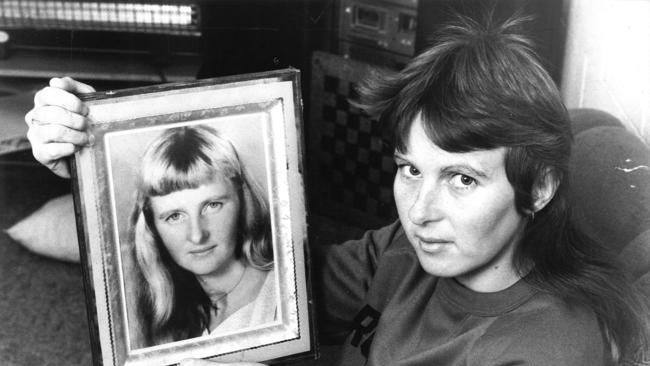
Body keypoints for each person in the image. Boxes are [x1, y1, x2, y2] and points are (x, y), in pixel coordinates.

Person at [25, 12, 649, 366]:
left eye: (462, 178)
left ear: (537, 187)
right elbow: (267, 287)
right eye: (410, 169)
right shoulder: (404, 250)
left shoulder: (547, 348)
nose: (422, 211)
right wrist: (92, 165)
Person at [123, 125, 276, 347]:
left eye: (213, 205)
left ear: (243, 200)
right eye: (175, 216)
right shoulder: (168, 309)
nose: (197, 235)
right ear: (153, 225)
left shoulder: (280, 294)